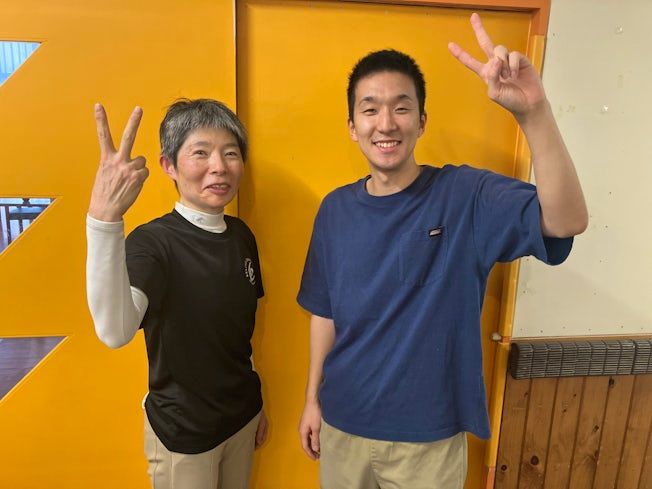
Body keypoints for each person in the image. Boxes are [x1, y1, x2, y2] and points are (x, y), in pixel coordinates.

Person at [297, 13, 587, 489]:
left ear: (422, 121)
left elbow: (566, 220)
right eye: (370, 110)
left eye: (401, 108)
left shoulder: (464, 195)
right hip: (343, 425)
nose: (385, 123)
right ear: (352, 126)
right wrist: (313, 399)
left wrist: (533, 113)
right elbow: (324, 312)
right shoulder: (334, 210)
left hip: (428, 441)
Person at [86, 98, 267, 489]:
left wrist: (256, 401)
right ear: (168, 165)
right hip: (183, 435)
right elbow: (115, 331)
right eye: (200, 152)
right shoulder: (153, 243)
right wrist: (103, 220)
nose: (219, 166)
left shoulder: (241, 236)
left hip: (242, 419)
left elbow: (239, 333)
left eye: (230, 153)